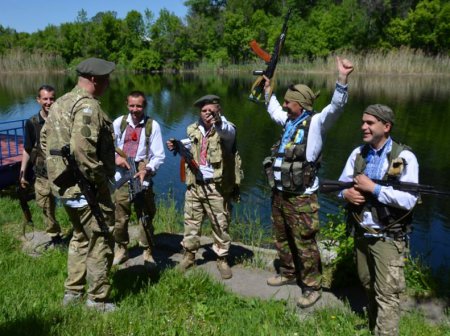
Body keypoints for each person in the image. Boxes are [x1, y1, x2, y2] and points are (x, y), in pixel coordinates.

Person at [262, 57, 354, 308]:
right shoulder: (289, 122)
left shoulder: (316, 123)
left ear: (300, 104)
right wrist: (267, 90)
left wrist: (342, 79)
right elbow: (273, 110)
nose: (284, 103)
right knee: (281, 237)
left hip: (302, 196)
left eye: (288, 101)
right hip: (280, 193)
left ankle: (313, 287)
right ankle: (289, 273)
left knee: (305, 242)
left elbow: (336, 107)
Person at [42, 57, 117, 312]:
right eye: (106, 78)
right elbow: (82, 151)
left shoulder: (61, 102)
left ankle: (73, 293)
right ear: (94, 79)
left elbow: (45, 140)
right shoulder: (87, 106)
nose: (109, 83)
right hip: (87, 190)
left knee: (80, 237)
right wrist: (100, 181)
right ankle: (97, 300)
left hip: (66, 189)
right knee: (100, 239)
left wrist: (59, 171)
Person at [338, 104, 419, 335]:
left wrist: (373, 189)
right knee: (367, 284)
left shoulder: (403, 157)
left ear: (386, 126)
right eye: (363, 122)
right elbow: (340, 185)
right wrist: (346, 193)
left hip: (388, 237)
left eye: (369, 123)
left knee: (387, 294)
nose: (363, 126)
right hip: (361, 233)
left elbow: (409, 200)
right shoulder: (358, 154)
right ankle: (374, 326)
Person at [166, 94, 241, 280]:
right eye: (204, 111)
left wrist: (217, 122)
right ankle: (189, 256)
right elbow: (191, 146)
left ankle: (222, 258)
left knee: (220, 224)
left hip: (216, 187)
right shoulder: (193, 129)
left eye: (211, 110)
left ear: (218, 111)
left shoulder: (227, 128)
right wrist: (175, 145)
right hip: (194, 185)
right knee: (191, 222)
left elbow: (226, 133)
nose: (207, 114)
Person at [112, 90, 165, 267]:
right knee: (120, 218)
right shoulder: (119, 123)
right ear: (127, 105)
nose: (135, 109)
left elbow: (159, 155)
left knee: (146, 217)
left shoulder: (152, 126)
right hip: (121, 178)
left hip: (142, 177)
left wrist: (147, 169)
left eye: (139, 106)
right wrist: (116, 158)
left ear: (145, 106)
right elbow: (106, 148)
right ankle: (122, 249)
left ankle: (148, 251)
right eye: (132, 105)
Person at [19, 85, 62, 246]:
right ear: (38, 100)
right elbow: (27, 149)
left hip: (61, 172)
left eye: (52, 98)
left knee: (73, 204)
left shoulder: (62, 120)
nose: (49, 102)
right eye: (45, 98)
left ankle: (80, 234)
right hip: (42, 172)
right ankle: (55, 235)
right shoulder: (32, 122)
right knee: (45, 205)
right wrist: (22, 173)